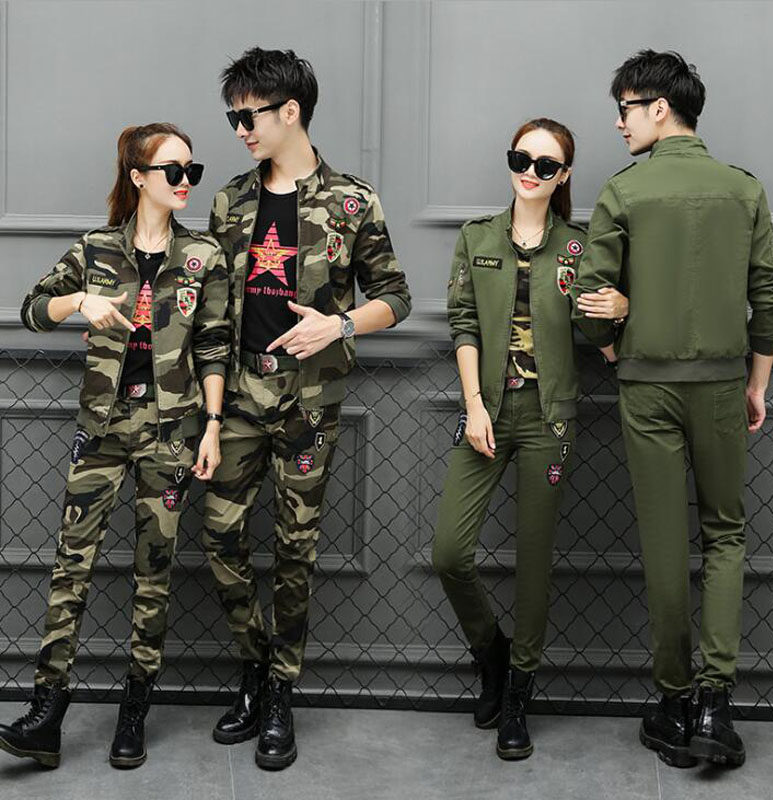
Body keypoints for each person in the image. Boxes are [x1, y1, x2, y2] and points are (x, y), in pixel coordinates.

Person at [571, 50, 773, 769]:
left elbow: (590, 306)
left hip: (647, 386)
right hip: (724, 382)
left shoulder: (624, 191)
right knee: (725, 533)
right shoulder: (743, 189)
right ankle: (715, 705)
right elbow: (770, 301)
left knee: (665, 540)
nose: (619, 122)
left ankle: (672, 701)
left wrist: (616, 343)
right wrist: (756, 385)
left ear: (659, 107)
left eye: (626, 108)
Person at [203, 48, 412, 770]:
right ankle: (254, 665)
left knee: (295, 550)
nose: (240, 130)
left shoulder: (352, 201)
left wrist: (341, 324)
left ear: (290, 112)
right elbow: (208, 306)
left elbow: (396, 296)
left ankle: (279, 691)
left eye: (249, 116)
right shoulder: (229, 202)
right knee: (220, 538)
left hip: (308, 406)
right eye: (233, 117)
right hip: (235, 400)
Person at [0, 123, 230, 769]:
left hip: (170, 431)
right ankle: (47, 713)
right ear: (138, 177)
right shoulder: (97, 248)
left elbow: (214, 345)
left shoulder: (204, 255)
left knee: (154, 574)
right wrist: (80, 301)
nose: (184, 182)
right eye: (172, 171)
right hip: (101, 427)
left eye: (191, 171)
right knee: (70, 568)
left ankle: (134, 712)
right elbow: (32, 310)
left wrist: (213, 426)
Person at [432, 118, 628, 761]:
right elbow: (463, 323)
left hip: (550, 418)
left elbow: (601, 336)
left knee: (534, 564)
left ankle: (518, 693)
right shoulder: (477, 238)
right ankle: (491, 652)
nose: (531, 173)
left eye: (547, 165)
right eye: (522, 159)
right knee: (450, 552)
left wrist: (621, 312)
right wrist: (474, 405)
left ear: (563, 175)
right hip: (488, 411)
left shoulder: (579, 246)